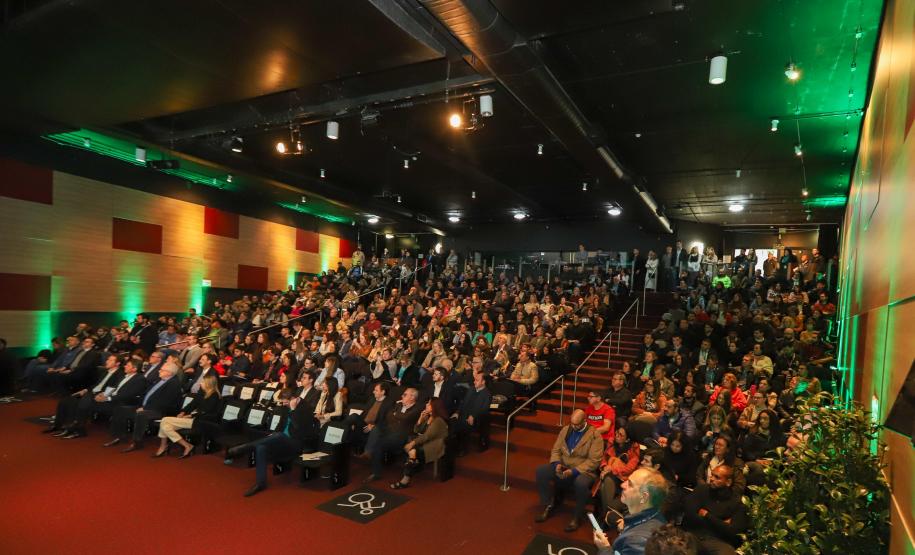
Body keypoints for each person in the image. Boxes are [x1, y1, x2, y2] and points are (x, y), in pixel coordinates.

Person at [231, 371, 321, 497]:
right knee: (261, 447)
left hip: (295, 443)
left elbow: (299, 428)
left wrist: (293, 410)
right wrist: (272, 435)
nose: (284, 405)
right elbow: (280, 426)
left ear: (293, 399)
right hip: (281, 440)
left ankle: (246, 447)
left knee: (279, 436)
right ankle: (260, 483)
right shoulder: (286, 406)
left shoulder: (305, 408)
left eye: (285, 402)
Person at [534, 409, 604, 531]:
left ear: (584, 421)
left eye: (577, 424)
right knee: (541, 471)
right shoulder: (566, 430)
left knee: (581, 483)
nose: (574, 426)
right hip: (564, 465)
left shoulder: (595, 436)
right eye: (572, 423)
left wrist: (575, 471)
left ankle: (577, 517)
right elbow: (556, 450)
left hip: (584, 470)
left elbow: (594, 461)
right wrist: (556, 463)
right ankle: (548, 505)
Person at [58, 356, 148, 439]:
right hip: (111, 398)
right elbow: (113, 388)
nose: (125, 366)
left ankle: (77, 426)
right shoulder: (125, 376)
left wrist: (107, 398)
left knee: (86, 401)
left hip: (120, 403)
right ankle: (75, 426)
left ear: (134, 369)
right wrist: (104, 394)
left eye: (128, 365)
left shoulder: (139, 379)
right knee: (82, 401)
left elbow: (128, 395)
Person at [106, 362, 182, 452]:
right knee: (121, 409)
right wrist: (140, 405)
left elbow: (164, 402)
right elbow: (146, 394)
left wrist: (145, 408)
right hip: (147, 406)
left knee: (141, 415)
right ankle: (119, 436)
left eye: (162, 370)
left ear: (169, 373)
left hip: (161, 410)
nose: (159, 371)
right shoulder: (160, 380)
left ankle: (137, 442)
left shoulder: (174, 384)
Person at [593, 468, 669, 555]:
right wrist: (624, 527)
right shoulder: (656, 515)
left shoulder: (638, 541)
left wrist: (604, 548)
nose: (622, 485)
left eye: (630, 484)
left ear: (644, 497)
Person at [44, 353, 122, 435]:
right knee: (65, 401)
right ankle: (58, 425)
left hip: (100, 396)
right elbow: (96, 385)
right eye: (107, 359)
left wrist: (102, 395)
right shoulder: (105, 371)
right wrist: (85, 390)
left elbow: (114, 388)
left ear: (117, 363)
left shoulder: (119, 374)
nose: (107, 361)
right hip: (91, 392)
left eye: (110, 360)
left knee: (80, 402)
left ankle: (75, 428)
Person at [683, 465, 748, 554]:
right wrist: (722, 523)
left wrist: (708, 516)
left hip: (718, 540)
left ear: (728, 482)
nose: (712, 479)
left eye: (717, 477)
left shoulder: (736, 501)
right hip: (694, 534)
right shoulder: (702, 490)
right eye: (712, 475)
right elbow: (689, 514)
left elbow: (734, 532)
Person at [154, 373, 221, 458]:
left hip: (202, 421)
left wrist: (189, 416)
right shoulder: (201, 393)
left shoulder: (214, 396)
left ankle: (164, 446)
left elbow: (205, 412)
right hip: (194, 419)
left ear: (209, 384)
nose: (201, 383)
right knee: (166, 426)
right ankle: (187, 446)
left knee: (165, 420)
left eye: (203, 382)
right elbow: (191, 405)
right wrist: (182, 412)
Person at [364, 387, 422, 482]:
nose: (402, 396)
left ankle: (376, 473)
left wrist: (396, 415)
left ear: (412, 397)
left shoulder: (417, 408)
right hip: (389, 430)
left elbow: (406, 418)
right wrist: (396, 416)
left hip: (402, 435)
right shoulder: (398, 405)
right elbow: (389, 415)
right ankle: (368, 451)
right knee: (376, 428)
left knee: (379, 444)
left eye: (404, 395)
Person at [390, 398, 449, 489]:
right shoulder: (429, 417)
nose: (426, 405)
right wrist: (420, 419)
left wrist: (412, 443)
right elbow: (416, 430)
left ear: (434, 407)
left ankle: (405, 479)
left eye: (429, 404)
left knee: (412, 447)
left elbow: (427, 436)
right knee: (411, 441)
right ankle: (412, 460)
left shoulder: (438, 420)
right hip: (425, 442)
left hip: (434, 445)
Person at [593, 426, 641, 520]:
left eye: (621, 435)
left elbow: (630, 468)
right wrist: (604, 467)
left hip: (623, 478)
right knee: (605, 483)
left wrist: (611, 469)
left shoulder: (634, 447)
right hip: (608, 474)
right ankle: (605, 516)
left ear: (627, 439)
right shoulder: (611, 442)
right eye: (617, 432)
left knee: (604, 484)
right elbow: (604, 458)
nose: (617, 436)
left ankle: (604, 515)